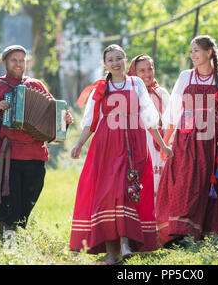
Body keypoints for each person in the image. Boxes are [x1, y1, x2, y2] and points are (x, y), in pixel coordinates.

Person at [69, 44, 173, 265]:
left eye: (119, 58)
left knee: (127, 191)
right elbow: (91, 122)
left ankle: (125, 243)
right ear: (105, 64)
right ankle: (111, 251)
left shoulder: (135, 83)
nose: (115, 63)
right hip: (106, 146)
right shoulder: (100, 87)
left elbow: (148, 116)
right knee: (107, 194)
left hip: (133, 144)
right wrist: (78, 145)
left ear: (125, 60)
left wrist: (162, 145)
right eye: (111, 59)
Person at [0, 45, 74, 241]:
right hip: (8, 154)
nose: (18, 64)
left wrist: (64, 119)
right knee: (9, 197)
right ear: (5, 63)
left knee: (30, 196)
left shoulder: (35, 84)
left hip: (36, 154)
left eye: (21, 60)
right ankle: (8, 238)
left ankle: (14, 230)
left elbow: (53, 111)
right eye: (14, 60)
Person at [156, 35, 218, 248]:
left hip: (211, 139)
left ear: (209, 52)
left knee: (203, 185)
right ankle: (178, 234)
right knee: (182, 183)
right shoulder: (185, 76)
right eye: (191, 51)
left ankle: (198, 234)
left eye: (196, 51)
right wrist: (166, 142)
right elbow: (174, 110)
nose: (192, 55)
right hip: (186, 137)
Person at [127, 54, 170, 199]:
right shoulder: (131, 94)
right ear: (134, 73)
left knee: (161, 187)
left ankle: (159, 220)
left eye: (150, 69)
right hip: (141, 144)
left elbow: (171, 121)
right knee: (144, 185)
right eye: (142, 70)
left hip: (160, 143)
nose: (147, 74)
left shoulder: (161, 93)